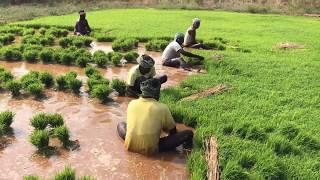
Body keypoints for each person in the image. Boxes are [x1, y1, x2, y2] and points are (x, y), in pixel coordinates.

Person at [117, 78, 193, 155]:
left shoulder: (132, 103)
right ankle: (187, 152)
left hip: (129, 145)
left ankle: (132, 141)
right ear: (157, 92)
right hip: (151, 149)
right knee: (189, 133)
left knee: (121, 124)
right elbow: (173, 131)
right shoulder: (162, 108)